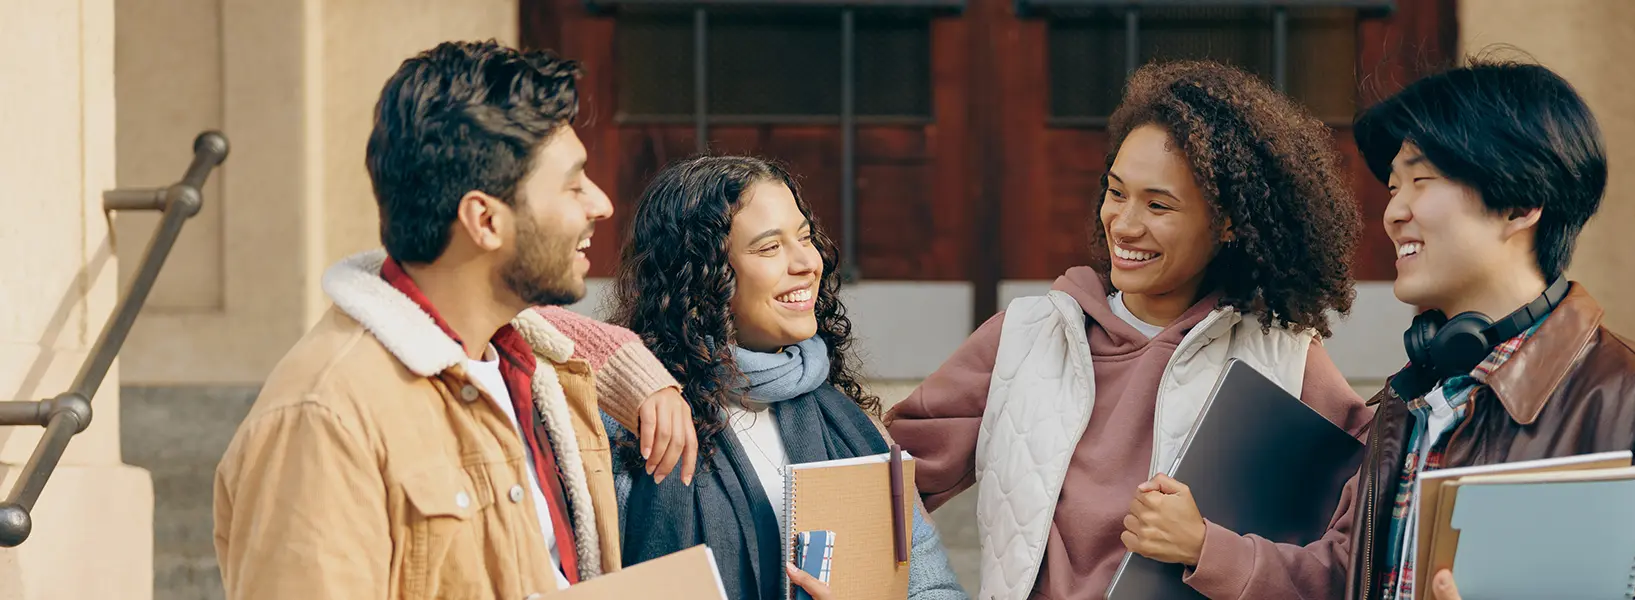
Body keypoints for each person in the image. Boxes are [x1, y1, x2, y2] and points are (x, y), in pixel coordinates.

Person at [211, 40, 693, 599]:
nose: (602, 203)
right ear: (484, 221)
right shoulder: (323, 418)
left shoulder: (530, 371)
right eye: (572, 184)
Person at [883, 60, 1373, 600]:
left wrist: (1209, 548)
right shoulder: (1022, 337)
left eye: (1158, 204)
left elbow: (1362, 554)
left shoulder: (1285, 357)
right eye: (1116, 192)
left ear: (1229, 223)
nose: (1123, 223)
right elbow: (874, 489)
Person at [1349, 58, 1635, 599]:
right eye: (1391, 186)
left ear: (1520, 203)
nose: (1393, 212)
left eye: (1421, 180)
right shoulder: (1409, 398)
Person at [537, 155, 969, 600]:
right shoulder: (632, 429)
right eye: (769, 247)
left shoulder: (854, 427)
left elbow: (933, 585)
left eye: (805, 237)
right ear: (700, 275)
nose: (807, 262)